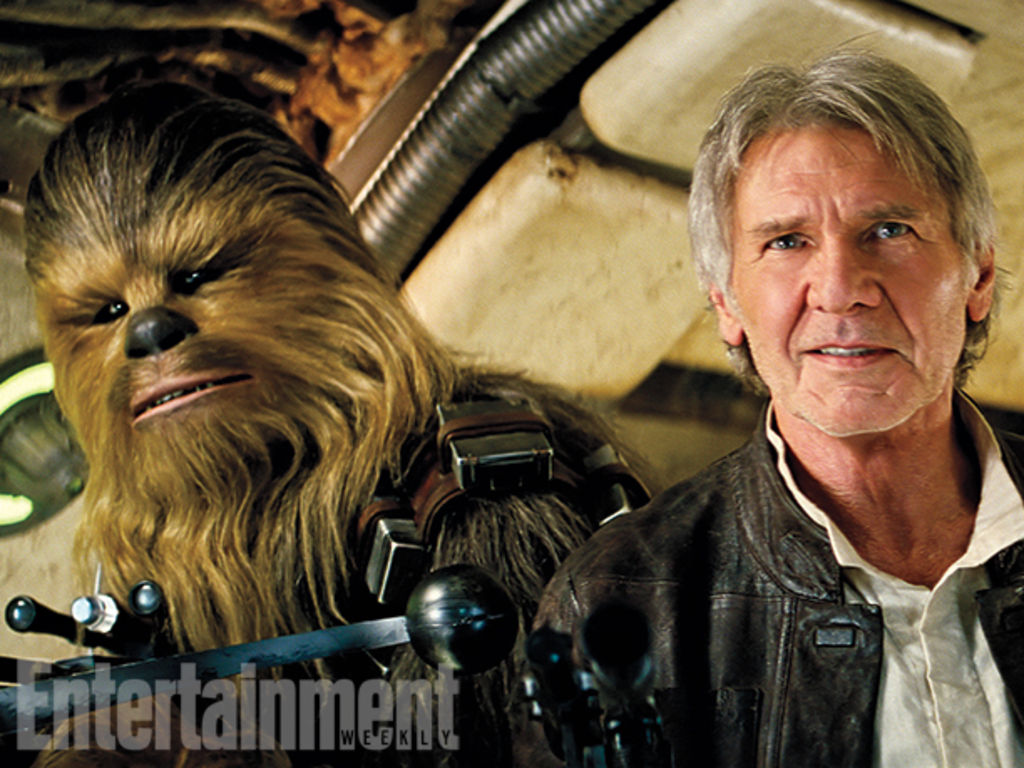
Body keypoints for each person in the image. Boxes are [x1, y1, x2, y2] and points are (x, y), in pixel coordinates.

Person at [20, 82, 646, 766]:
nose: (148, 332)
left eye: (197, 275)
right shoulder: (139, 576)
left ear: (328, 267)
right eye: (106, 313)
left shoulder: (479, 491)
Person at [529, 49, 1024, 767]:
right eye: (786, 241)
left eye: (889, 230)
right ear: (727, 303)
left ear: (977, 275)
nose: (841, 289)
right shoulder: (618, 601)